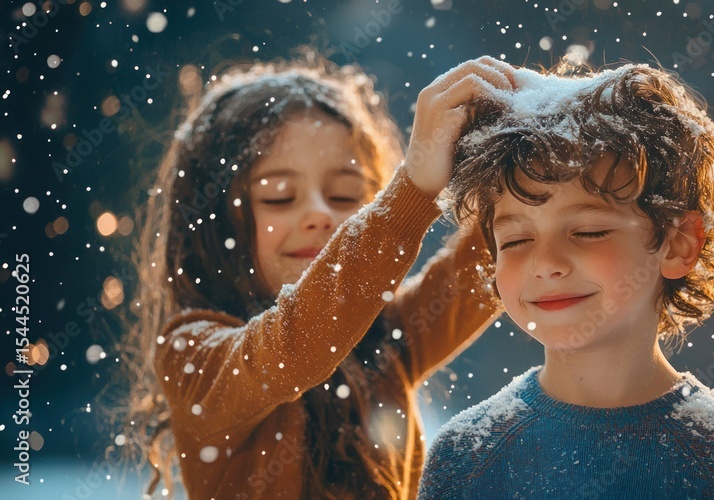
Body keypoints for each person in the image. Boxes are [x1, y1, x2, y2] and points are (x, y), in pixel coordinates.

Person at [121, 53, 517, 499]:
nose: (318, 214)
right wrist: (414, 190)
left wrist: (535, 138)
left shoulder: (388, 339)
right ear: (213, 223)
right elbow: (294, 347)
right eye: (278, 196)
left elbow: (496, 258)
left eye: (345, 194)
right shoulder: (191, 355)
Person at [419, 63, 714, 498]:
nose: (546, 263)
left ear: (678, 244)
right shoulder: (466, 456)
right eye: (516, 240)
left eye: (588, 232)